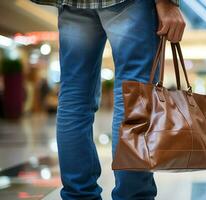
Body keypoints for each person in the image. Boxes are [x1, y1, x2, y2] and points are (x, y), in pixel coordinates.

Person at [29, 0, 186, 199]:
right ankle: (133, 196)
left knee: (74, 98)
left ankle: (79, 195)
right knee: (134, 96)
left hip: (73, 3)